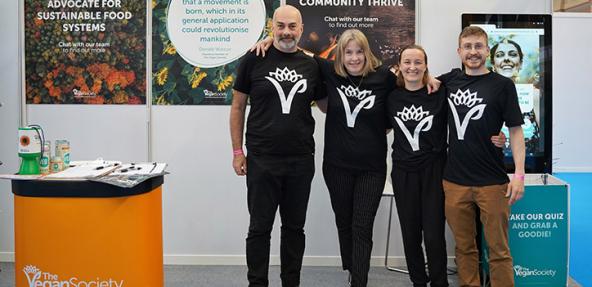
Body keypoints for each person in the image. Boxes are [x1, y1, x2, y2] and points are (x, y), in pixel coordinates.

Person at [253, 29, 440, 287]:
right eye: (348, 52)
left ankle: (359, 281)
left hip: (371, 169)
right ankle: (352, 267)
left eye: (359, 51)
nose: (354, 58)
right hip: (336, 166)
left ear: (367, 52)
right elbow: (296, 50)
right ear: (340, 54)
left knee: (362, 228)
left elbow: (410, 85)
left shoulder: (383, 78)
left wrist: (432, 79)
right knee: (345, 223)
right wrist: (270, 41)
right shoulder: (330, 72)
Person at [229, 5, 324, 287]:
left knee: (294, 229)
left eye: (292, 26)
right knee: (259, 228)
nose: (286, 32)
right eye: (280, 26)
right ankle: (257, 283)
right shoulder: (254, 58)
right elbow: (237, 107)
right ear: (272, 27)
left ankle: (290, 282)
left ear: (301, 28)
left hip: (300, 160)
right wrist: (237, 152)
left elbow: (327, 105)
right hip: (261, 159)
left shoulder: (312, 64)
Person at [439, 26, 526, 287]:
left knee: (499, 251)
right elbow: (423, 83)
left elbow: (515, 131)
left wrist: (519, 175)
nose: (473, 52)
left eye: (478, 46)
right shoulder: (448, 81)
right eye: (468, 47)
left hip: (492, 182)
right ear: (459, 51)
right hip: (455, 181)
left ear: (487, 50)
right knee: (464, 249)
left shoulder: (503, 86)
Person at [387, 45, 449, 287]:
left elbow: (456, 74)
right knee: (410, 234)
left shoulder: (440, 92)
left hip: (434, 170)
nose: (412, 67)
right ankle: (418, 282)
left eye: (418, 62)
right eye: (407, 62)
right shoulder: (391, 97)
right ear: (400, 66)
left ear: (426, 66)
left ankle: (439, 282)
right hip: (403, 172)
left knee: (434, 235)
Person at [490, 38, 541, 150]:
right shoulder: (483, 96)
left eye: (512, 54)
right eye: (500, 55)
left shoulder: (535, 95)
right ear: (493, 65)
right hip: (490, 164)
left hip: (529, 164)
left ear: (521, 64)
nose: (507, 59)